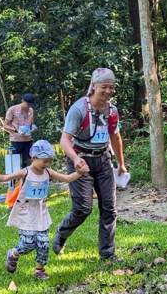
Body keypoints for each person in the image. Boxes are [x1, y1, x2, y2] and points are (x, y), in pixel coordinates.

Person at [0, 140, 85, 280]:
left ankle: (39, 270)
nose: (47, 164)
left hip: (40, 212)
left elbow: (66, 178)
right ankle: (14, 254)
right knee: (28, 243)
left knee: (44, 243)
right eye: (44, 161)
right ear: (34, 158)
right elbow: (6, 177)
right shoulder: (26, 172)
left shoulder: (48, 172)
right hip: (25, 212)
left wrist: (79, 172)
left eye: (49, 161)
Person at [53, 68, 127, 261]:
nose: (108, 91)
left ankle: (107, 253)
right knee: (83, 208)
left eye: (111, 87)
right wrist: (76, 160)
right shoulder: (79, 109)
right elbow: (64, 140)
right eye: (104, 87)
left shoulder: (112, 111)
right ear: (94, 86)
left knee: (110, 208)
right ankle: (62, 233)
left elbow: (115, 136)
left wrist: (121, 163)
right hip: (81, 160)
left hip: (103, 160)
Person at [3, 93, 36, 167]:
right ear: (22, 101)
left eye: (30, 105)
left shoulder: (31, 110)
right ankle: (15, 178)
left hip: (28, 141)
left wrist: (33, 128)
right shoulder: (12, 109)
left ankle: (26, 178)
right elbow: (5, 125)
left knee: (28, 163)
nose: (28, 107)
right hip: (16, 141)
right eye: (27, 104)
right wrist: (16, 130)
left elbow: (31, 124)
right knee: (15, 164)